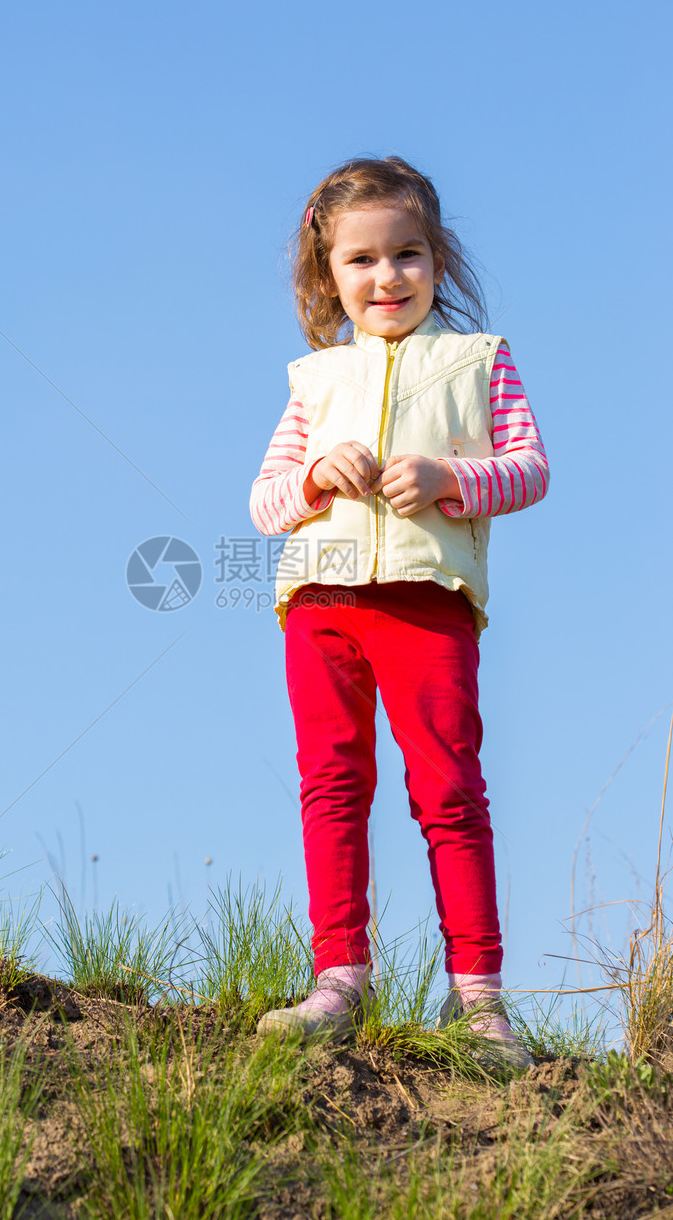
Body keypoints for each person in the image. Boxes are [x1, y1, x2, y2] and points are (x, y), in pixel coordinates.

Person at [249, 157, 548, 1067]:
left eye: (408, 255)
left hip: (429, 606)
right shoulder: (313, 381)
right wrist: (311, 477)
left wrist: (453, 478)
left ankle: (480, 1000)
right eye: (362, 261)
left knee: (450, 791)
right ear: (328, 273)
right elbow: (263, 503)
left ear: (438, 260)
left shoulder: (480, 361)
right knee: (333, 787)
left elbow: (531, 469)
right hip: (323, 608)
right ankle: (339, 977)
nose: (387, 278)